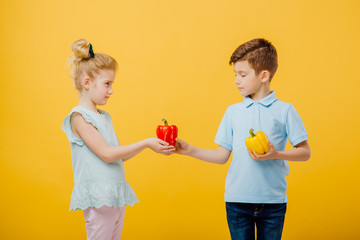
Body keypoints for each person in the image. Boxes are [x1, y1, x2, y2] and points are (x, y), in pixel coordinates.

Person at [175, 38, 311, 240]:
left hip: (273, 201)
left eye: (243, 75)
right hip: (237, 201)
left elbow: (305, 152)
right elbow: (221, 156)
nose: (236, 80)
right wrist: (189, 150)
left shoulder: (285, 110)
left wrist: (276, 154)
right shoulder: (233, 112)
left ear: (263, 75)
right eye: (235, 74)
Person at [62, 39, 175, 240]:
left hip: (114, 194)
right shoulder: (79, 117)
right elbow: (106, 154)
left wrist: (149, 146)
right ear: (87, 83)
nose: (111, 90)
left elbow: (119, 156)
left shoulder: (103, 117)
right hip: (99, 197)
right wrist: (146, 142)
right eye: (107, 84)